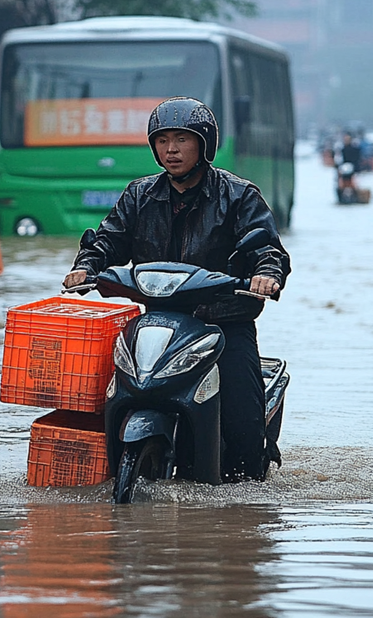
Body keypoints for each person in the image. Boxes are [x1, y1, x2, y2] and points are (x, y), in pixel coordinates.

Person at [63, 97, 290, 482]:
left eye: (182, 139)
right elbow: (108, 240)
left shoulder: (238, 195)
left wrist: (265, 275)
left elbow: (267, 249)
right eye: (163, 140)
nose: (171, 149)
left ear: (204, 144)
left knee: (244, 446)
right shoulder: (139, 195)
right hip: (158, 323)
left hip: (223, 327)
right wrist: (86, 267)